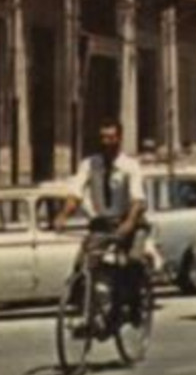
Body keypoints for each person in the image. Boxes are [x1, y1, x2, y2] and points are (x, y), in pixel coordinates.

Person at [56, 120, 150, 321]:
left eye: (111, 138)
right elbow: (75, 195)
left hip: (129, 222)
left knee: (132, 260)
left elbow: (138, 200)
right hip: (103, 224)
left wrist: (129, 223)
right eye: (103, 138)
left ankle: (134, 305)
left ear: (119, 139)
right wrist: (63, 216)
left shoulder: (130, 166)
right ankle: (82, 307)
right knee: (84, 261)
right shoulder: (90, 164)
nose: (106, 142)